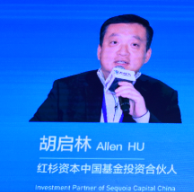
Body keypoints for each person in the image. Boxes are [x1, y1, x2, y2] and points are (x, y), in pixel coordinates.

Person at [31, 14, 181, 123]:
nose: (123, 52)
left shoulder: (164, 95)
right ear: (99, 51)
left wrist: (143, 117)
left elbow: (176, 148)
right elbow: (33, 136)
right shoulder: (66, 88)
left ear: (147, 55)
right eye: (114, 42)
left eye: (134, 44)